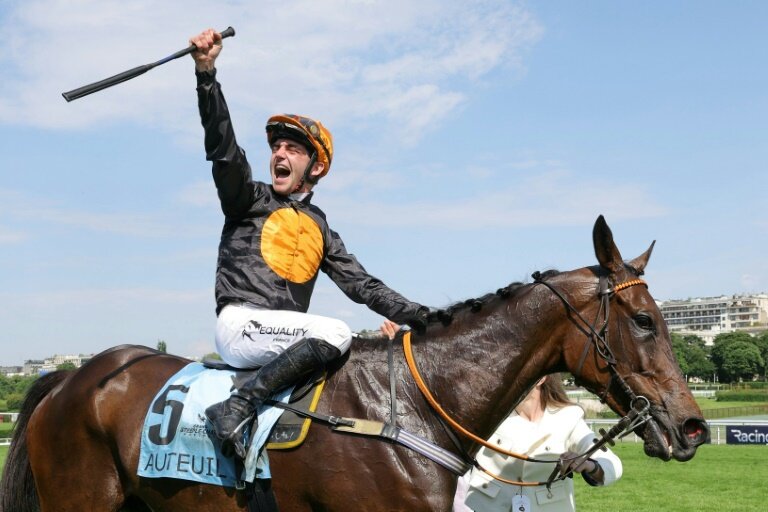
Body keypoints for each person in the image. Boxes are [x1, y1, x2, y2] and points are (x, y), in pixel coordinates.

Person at [189, 28, 429, 460]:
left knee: (352, 344)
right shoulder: (249, 198)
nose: (279, 153)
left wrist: (432, 317)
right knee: (336, 331)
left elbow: (364, 287)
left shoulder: (321, 226)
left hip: (282, 337)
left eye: (292, 148)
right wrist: (207, 74)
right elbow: (224, 150)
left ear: (316, 165)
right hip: (241, 325)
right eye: (276, 146)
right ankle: (237, 407)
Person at [453, 375, 622, 512]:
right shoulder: (489, 415)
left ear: (541, 378)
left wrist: (589, 465)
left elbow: (611, 464)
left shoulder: (569, 416)